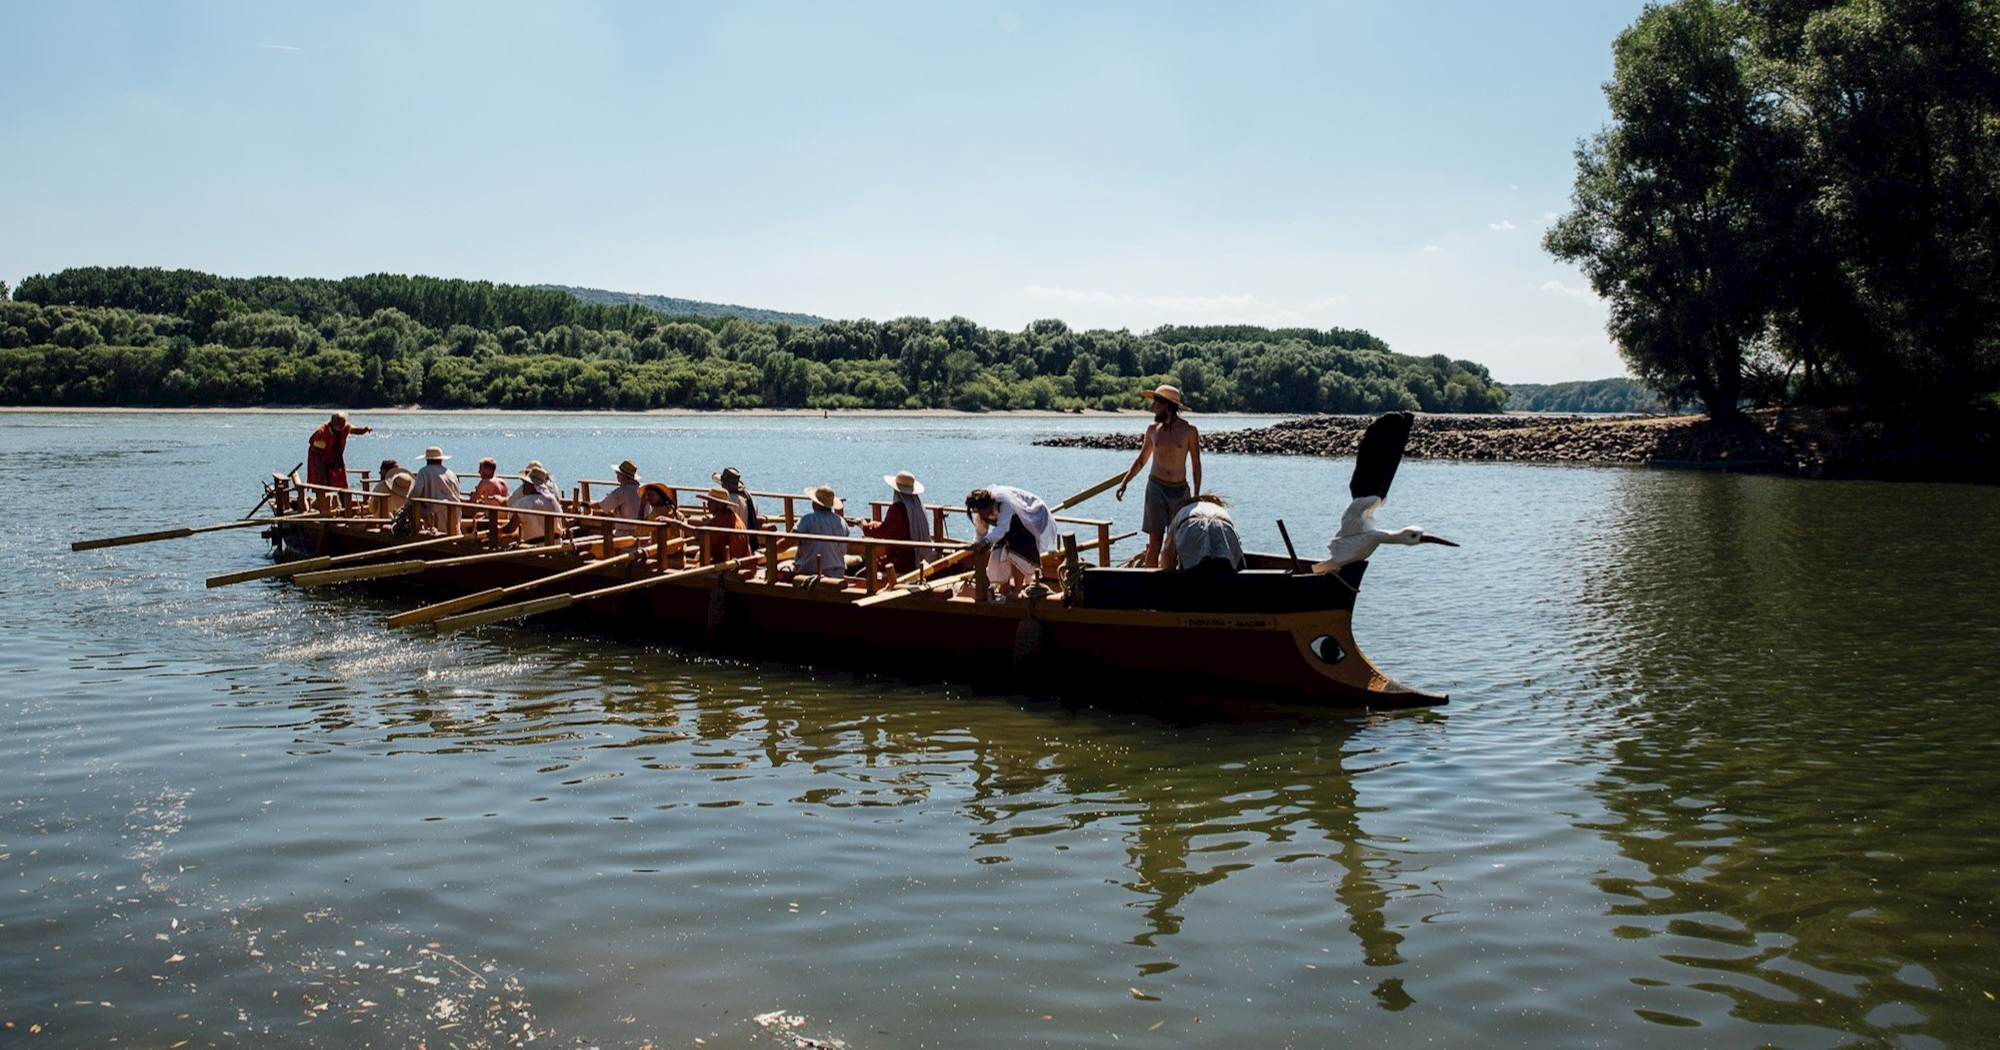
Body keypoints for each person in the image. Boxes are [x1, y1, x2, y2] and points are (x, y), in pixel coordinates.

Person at [1114, 384, 1202, 568]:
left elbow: (1196, 465)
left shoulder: (1189, 431)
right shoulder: (1153, 430)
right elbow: (1141, 460)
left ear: (1167, 406)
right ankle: (1150, 585)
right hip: (1156, 488)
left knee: (1178, 541)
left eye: (1156, 404)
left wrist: (1196, 495)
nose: (1152, 408)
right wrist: (1125, 482)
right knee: (1155, 541)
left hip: (1180, 491)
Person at [965, 485, 1058, 599]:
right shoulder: (982, 513)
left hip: (1029, 520)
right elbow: (981, 532)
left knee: (1016, 553)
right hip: (1010, 528)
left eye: (979, 511)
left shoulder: (1004, 503)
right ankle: (1005, 589)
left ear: (986, 506)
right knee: (997, 552)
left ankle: (1017, 592)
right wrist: (977, 544)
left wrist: (987, 541)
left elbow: (1002, 528)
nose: (978, 514)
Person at [858, 470, 935, 574]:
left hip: (900, 562)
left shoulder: (897, 509)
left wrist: (865, 527)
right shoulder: (919, 508)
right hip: (918, 558)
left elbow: (884, 531)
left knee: (862, 573)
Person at [1161, 493, 1244, 573]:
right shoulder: (1219, 509)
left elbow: (1167, 553)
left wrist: (1167, 570)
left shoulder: (1181, 513)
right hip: (1223, 525)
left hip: (1191, 524)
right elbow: (1237, 548)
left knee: (1191, 568)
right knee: (1231, 565)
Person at [792, 485, 852, 579]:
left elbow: (788, 541)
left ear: (816, 503)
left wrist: (769, 550)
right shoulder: (842, 522)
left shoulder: (807, 520)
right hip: (838, 573)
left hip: (810, 572)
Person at [306, 412, 371, 490]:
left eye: (342, 425)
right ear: (333, 423)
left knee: (343, 485)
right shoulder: (322, 433)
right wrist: (321, 476)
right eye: (339, 425)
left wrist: (365, 429)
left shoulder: (345, 427)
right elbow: (318, 458)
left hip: (336, 458)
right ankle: (321, 499)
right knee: (321, 485)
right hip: (319, 461)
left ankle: (344, 500)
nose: (341, 428)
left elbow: (355, 430)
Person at [507, 464, 566, 544]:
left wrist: (499, 531)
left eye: (526, 484)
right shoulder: (552, 502)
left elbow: (511, 528)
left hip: (536, 546)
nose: (523, 486)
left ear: (532, 486)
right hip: (557, 544)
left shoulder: (524, 502)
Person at [409, 446, 463, 534]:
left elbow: (417, 490)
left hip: (434, 515)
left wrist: (408, 504)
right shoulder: (451, 474)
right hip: (454, 513)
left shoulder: (424, 471)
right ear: (441, 460)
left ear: (427, 460)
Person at [594, 459, 646, 537]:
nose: (616, 475)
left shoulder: (621, 492)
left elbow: (601, 506)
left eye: (618, 473)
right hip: (645, 534)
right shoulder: (643, 489)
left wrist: (586, 505)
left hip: (626, 534)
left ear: (623, 476)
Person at [711, 467, 764, 532]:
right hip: (748, 535)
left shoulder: (727, 500)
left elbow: (723, 519)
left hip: (733, 536)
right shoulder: (748, 496)